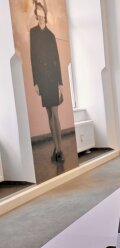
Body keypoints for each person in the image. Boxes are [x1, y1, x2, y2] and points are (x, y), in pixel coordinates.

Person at [30, 1, 64, 162]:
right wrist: (35, 82)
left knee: (55, 114)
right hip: (42, 80)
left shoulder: (50, 35)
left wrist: (59, 83)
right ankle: (56, 147)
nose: (40, 14)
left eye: (41, 10)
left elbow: (56, 59)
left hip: (52, 80)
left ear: (44, 13)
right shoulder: (33, 33)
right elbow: (33, 59)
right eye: (37, 11)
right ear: (36, 15)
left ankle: (59, 149)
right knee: (48, 113)